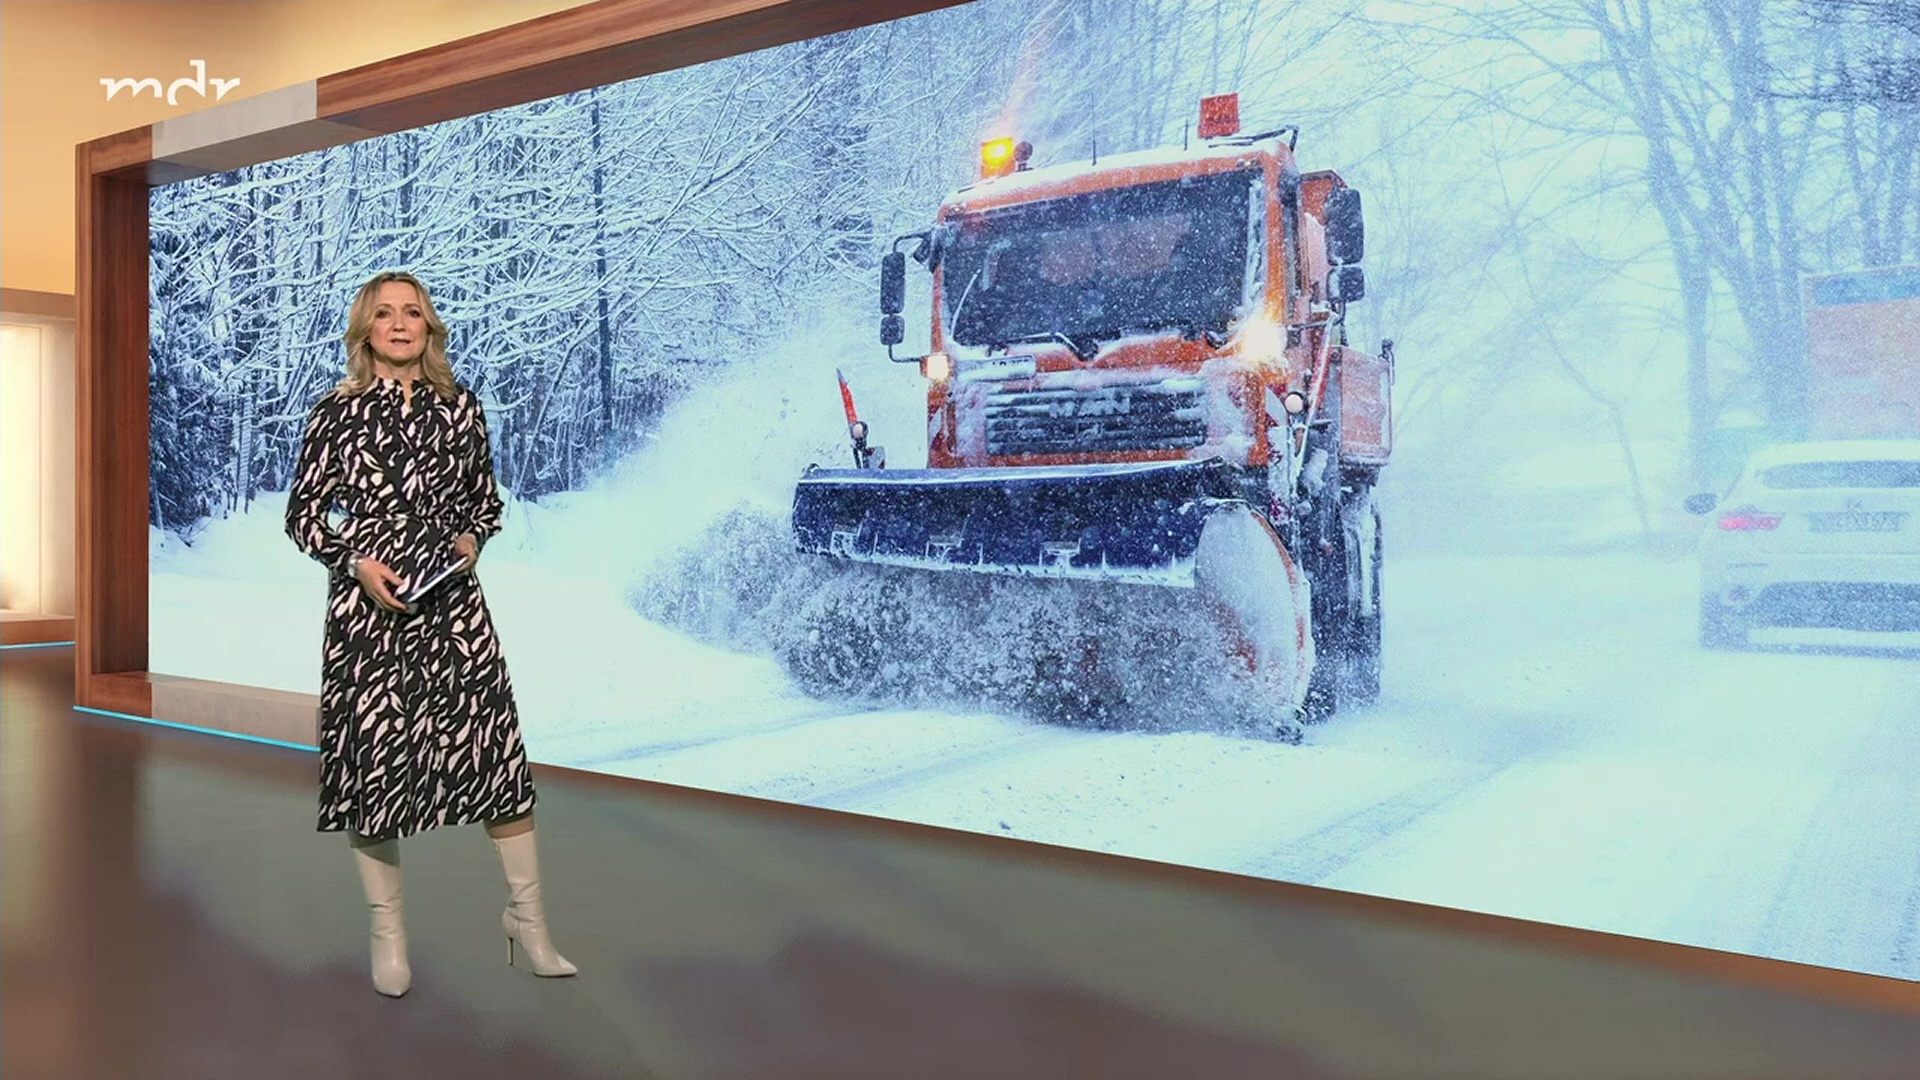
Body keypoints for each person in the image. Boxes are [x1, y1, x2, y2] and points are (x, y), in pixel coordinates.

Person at [285, 270, 575, 997]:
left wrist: (472, 538)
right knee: (376, 768)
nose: (399, 323)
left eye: (411, 312)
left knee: (496, 757)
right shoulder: (335, 412)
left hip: (453, 609)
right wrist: (355, 562)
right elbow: (303, 517)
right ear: (366, 330)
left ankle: (529, 922)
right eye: (384, 313)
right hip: (368, 613)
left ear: (428, 327)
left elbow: (484, 502)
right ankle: (387, 935)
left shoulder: (461, 407)